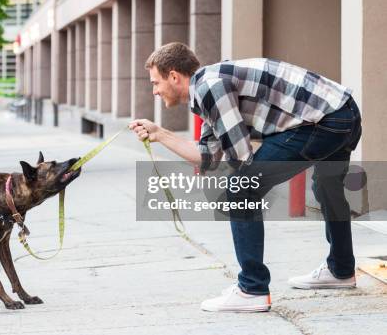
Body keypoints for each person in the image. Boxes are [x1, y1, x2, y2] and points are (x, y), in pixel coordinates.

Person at [129, 42, 361, 313]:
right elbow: (207, 158)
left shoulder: (210, 87)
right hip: (344, 113)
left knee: (240, 188)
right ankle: (341, 270)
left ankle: (252, 288)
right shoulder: (210, 86)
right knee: (327, 186)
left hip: (325, 121)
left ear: (174, 76)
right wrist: (160, 134)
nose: (154, 91)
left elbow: (239, 157)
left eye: (156, 83)